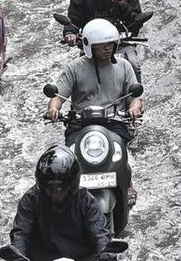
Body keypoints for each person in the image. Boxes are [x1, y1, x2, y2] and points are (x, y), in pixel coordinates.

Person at [46, 18, 142, 202]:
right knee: (69, 162)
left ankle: (127, 183)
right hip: (80, 123)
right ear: (90, 46)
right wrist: (53, 109)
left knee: (121, 156)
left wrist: (134, 108)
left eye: (110, 44)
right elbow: (58, 95)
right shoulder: (74, 68)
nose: (107, 48)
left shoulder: (124, 66)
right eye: (102, 45)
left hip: (114, 121)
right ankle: (68, 198)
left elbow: (135, 96)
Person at [8, 145, 115, 261]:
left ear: (72, 185)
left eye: (60, 188)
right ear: (42, 185)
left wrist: (105, 252)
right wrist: (18, 255)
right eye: (50, 188)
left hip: (82, 257)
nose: (55, 193)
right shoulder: (30, 200)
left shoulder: (86, 201)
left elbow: (99, 232)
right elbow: (21, 234)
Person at [62, 0, 146, 80]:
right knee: (80, 73)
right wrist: (69, 33)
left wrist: (124, 5)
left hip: (121, 44)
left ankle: (136, 93)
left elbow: (136, 22)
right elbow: (73, 21)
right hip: (92, 47)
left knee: (133, 65)